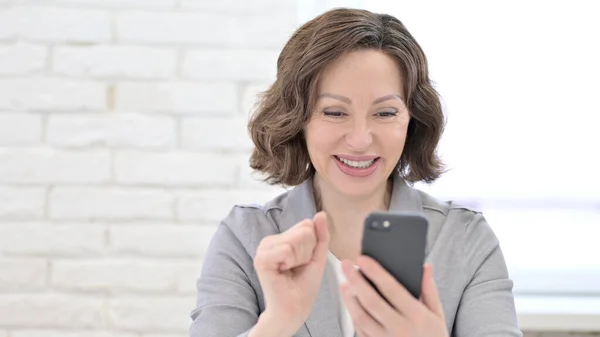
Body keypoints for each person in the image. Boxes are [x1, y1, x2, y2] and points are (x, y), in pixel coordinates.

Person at [190, 7, 522, 337]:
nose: (360, 140)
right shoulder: (246, 237)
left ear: (412, 120)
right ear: (297, 119)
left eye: (385, 112)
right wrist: (276, 324)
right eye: (334, 112)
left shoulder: (465, 239)